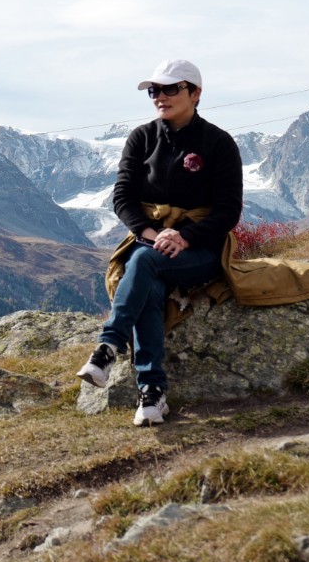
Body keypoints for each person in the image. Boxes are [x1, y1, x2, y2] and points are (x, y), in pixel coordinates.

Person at [78, 58, 243, 426]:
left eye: (171, 89)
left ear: (195, 93)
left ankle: (109, 346)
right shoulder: (142, 138)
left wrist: (184, 237)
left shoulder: (218, 143)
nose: (160, 97)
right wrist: (153, 234)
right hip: (151, 241)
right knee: (148, 280)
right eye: (155, 90)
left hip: (202, 249)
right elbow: (122, 197)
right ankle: (152, 396)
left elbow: (228, 211)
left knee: (143, 263)